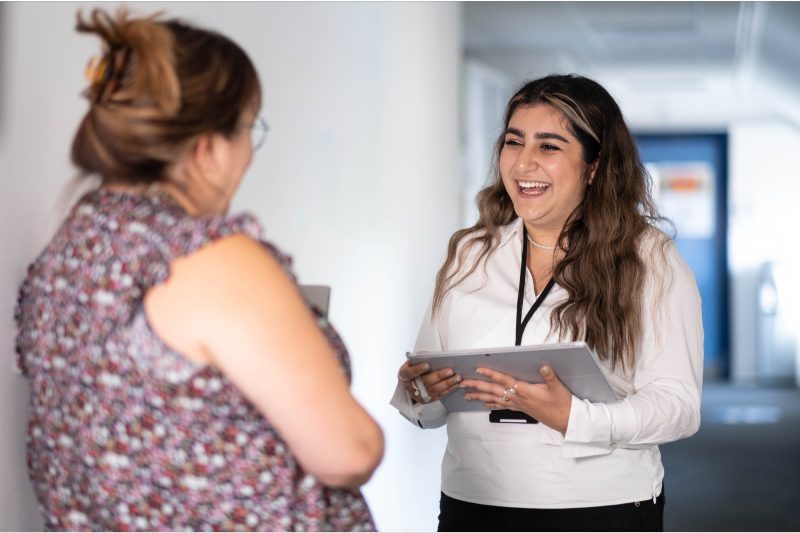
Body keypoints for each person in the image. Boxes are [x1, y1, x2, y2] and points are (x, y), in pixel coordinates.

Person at [14, 8, 383, 531]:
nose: (249, 155)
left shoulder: (68, 252)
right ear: (208, 149)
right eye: (249, 131)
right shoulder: (204, 257)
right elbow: (351, 452)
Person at [391, 74, 703, 532]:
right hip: (472, 504)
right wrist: (418, 393)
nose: (523, 164)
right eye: (514, 142)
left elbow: (679, 406)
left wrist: (576, 418)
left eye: (549, 147)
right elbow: (427, 403)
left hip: (599, 509)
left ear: (594, 167)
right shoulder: (470, 254)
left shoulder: (649, 258)